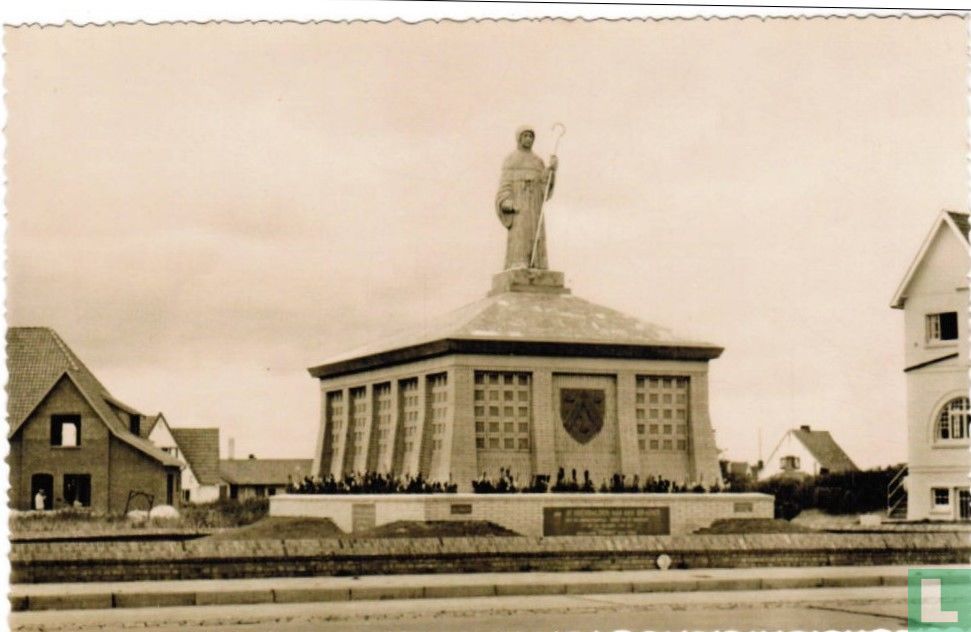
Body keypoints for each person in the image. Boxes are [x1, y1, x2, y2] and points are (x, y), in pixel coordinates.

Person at [495, 126, 558, 270]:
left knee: (536, 236)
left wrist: (552, 171)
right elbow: (505, 185)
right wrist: (506, 201)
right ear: (519, 138)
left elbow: (545, 187)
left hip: (535, 206)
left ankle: (537, 263)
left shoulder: (538, 161)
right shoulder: (511, 160)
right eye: (525, 136)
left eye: (531, 136)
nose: (529, 139)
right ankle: (518, 263)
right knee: (520, 236)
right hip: (519, 206)